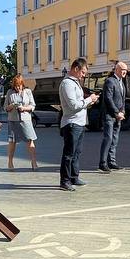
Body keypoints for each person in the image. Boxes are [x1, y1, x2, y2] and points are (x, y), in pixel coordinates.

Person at [58, 58, 98, 191]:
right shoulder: (67, 84)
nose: (83, 75)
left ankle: (74, 177)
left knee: (76, 152)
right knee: (69, 153)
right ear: (76, 69)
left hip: (79, 122)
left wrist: (89, 101)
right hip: (71, 123)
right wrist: (89, 99)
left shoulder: (75, 83)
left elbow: (79, 102)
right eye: (83, 72)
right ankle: (65, 181)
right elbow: (73, 105)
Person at [4, 75, 38, 170]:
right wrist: (10, 106)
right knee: (12, 142)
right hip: (13, 120)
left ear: (22, 84)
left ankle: (34, 161)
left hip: (25, 119)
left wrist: (24, 108)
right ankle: (10, 162)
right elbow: (5, 107)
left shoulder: (28, 92)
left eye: (19, 85)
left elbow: (33, 105)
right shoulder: (9, 92)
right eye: (15, 86)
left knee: (30, 140)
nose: (17, 87)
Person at [98, 60, 128, 172]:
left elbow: (123, 100)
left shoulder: (122, 83)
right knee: (108, 138)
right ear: (117, 70)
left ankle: (112, 162)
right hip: (109, 116)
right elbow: (108, 99)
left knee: (115, 139)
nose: (125, 72)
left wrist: (123, 112)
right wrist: (116, 113)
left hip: (118, 116)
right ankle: (102, 163)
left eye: (126, 70)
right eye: (122, 69)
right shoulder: (110, 81)